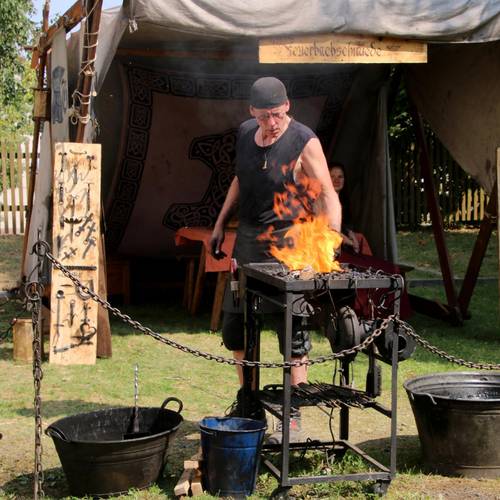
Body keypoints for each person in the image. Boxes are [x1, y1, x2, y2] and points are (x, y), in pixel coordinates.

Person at [210, 77, 341, 426]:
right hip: (247, 243)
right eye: (264, 116)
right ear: (252, 112)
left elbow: (327, 193)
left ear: (287, 107)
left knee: (292, 331)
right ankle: (248, 402)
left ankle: (293, 409)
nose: (272, 122)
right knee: (237, 328)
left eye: (277, 114)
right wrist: (221, 222)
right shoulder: (244, 134)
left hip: (289, 246)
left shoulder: (303, 141)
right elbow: (240, 179)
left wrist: (330, 239)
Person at [329, 162, 373, 256]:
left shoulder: (343, 200)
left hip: (340, 235)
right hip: (327, 238)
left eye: (340, 177)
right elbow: (328, 228)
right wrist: (349, 241)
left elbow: (344, 225)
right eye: (332, 176)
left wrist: (350, 233)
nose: (336, 180)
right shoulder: (323, 201)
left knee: (359, 238)